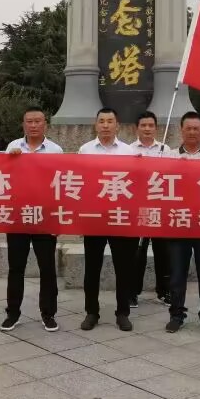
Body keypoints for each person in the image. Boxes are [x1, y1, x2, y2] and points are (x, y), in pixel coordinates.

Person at [2, 107, 63, 332]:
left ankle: (48, 314)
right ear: (23, 124)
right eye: (29, 121)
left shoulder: (55, 150)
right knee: (15, 268)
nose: (34, 125)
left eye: (38, 121)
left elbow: (61, 185)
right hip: (18, 216)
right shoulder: (13, 147)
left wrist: (58, 219)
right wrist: (10, 160)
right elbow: (3, 178)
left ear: (45, 124)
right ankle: (12, 313)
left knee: (47, 268)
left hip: (45, 217)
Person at [78, 107, 138, 331]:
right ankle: (91, 312)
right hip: (94, 217)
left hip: (120, 217)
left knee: (123, 268)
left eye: (110, 121)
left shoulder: (129, 152)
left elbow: (136, 183)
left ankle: (122, 312)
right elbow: (79, 181)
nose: (105, 125)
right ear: (96, 125)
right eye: (101, 121)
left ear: (117, 126)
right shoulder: (85, 150)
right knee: (92, 268)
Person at [164, 111, 200, 334]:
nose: (192, 132)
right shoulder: (169, 156)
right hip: (178, 223)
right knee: (177, 274)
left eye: (196, 128)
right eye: (188, 128)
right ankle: (176, 315)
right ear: (181, 130)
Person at [129, 110, 173, 308]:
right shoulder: (129, 150)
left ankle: (164, 291)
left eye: (150, 125)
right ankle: (132, 292)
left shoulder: (165, 149)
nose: (147, 129)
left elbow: (173, 176)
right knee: (137, 252)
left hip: (159, 207)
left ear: (156, 128)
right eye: (143, 125)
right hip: (138, 208)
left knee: (163, 252)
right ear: (136, 128)